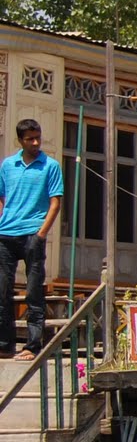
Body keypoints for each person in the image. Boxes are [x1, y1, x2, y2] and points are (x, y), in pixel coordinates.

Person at [0, 119, 63, 358]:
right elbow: (2, 196)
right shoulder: (8, 165)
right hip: (6, 234)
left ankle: (33, 346)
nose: (36, 143)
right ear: (20, 140)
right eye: (30, 139)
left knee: (34, 291)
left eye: (38, 137)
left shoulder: (50, 166)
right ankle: (5, 345)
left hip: (33, 234)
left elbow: (55, 202)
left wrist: (41, 234)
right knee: (2, 291)